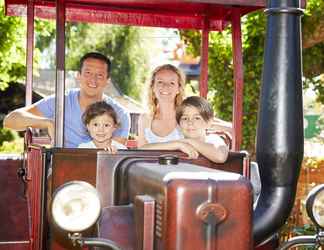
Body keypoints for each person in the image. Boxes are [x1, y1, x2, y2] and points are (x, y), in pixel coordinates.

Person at [3, 52, 130, 147]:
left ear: (108, 81)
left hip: (100, 171)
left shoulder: (120, 114)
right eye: (88, 73)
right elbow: (10, 121)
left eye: (100, 75)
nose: (93, 80)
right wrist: (48, 123)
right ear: (78, 76)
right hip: (61, 169)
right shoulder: (61, 101)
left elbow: (112, 158)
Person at [140, 96, 229, 163]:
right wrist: (178, 144)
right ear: (179, 124)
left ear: (208, 122)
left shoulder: (213, 139)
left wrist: (188, 142)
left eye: (197, 118)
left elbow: (220, 156)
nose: (190, 122)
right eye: (185, 118)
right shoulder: (176, 140)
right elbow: (142, 149)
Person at [137, 64, 186, 146]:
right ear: (153, 87)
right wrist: (177, 145)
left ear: (178, 89)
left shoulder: (186, 117)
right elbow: (141, 152)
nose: (165, 86)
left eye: (172, 83)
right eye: (160, 82)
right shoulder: (145, 119)